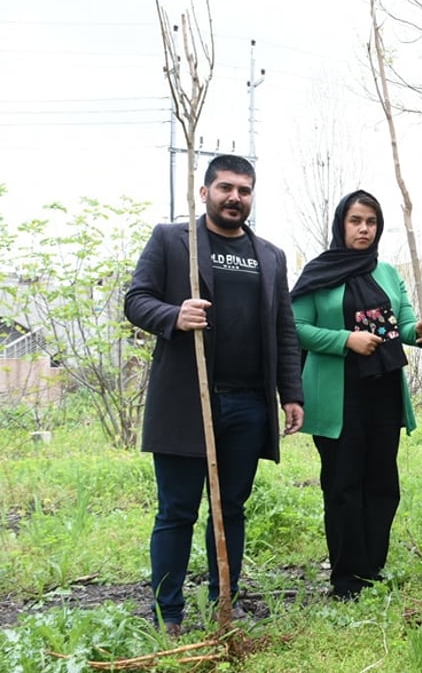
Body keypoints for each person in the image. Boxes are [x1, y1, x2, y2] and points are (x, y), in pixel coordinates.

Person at [124, 154, 305, 634]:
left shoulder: (269, 255)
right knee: (177, 509)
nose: (235, 198)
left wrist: (291, 392)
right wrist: (174, 316)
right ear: (204, 193)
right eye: (225, 188)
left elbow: (284, 329)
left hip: (248, 403)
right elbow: (135, 299)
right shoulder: (172, 240)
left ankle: (225, 598)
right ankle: (168, 612)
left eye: (244, 190)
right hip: (187, 401)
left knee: (231, 508)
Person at [290, 190, 422, 601]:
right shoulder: (319, 273)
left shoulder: (387, 272)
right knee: (343, 484)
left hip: (384, 391)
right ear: (341, 224)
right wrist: (345, 340)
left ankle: (373, 567)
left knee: (383, 482)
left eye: (371, 222)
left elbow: (404, 323)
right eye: (356, 221)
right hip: (340, 395)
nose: (364, 229)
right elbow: (296, 326)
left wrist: (419, 333)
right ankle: (346, 577)